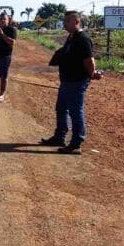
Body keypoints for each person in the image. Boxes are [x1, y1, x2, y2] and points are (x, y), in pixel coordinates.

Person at [41, 11, 102, 154]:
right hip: (67, 80)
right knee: (61, 108)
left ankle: (76, 143)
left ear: (76, 22)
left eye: (67, 21)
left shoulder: (83, 39)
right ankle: (59, 137)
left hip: (77, 81)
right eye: (64, 21)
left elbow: (89, 60)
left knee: (75, 111)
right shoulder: (72, 37)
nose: (64, 24)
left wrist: (92, 74)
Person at [0, 13, 17, 102]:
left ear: (8, 20)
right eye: (1, 19)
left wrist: (2, 34)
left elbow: (12, 42)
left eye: (4, 19)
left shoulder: (12, 30)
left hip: (5, 56)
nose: (2, 20)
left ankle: (1, 94)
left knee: (3, 76)